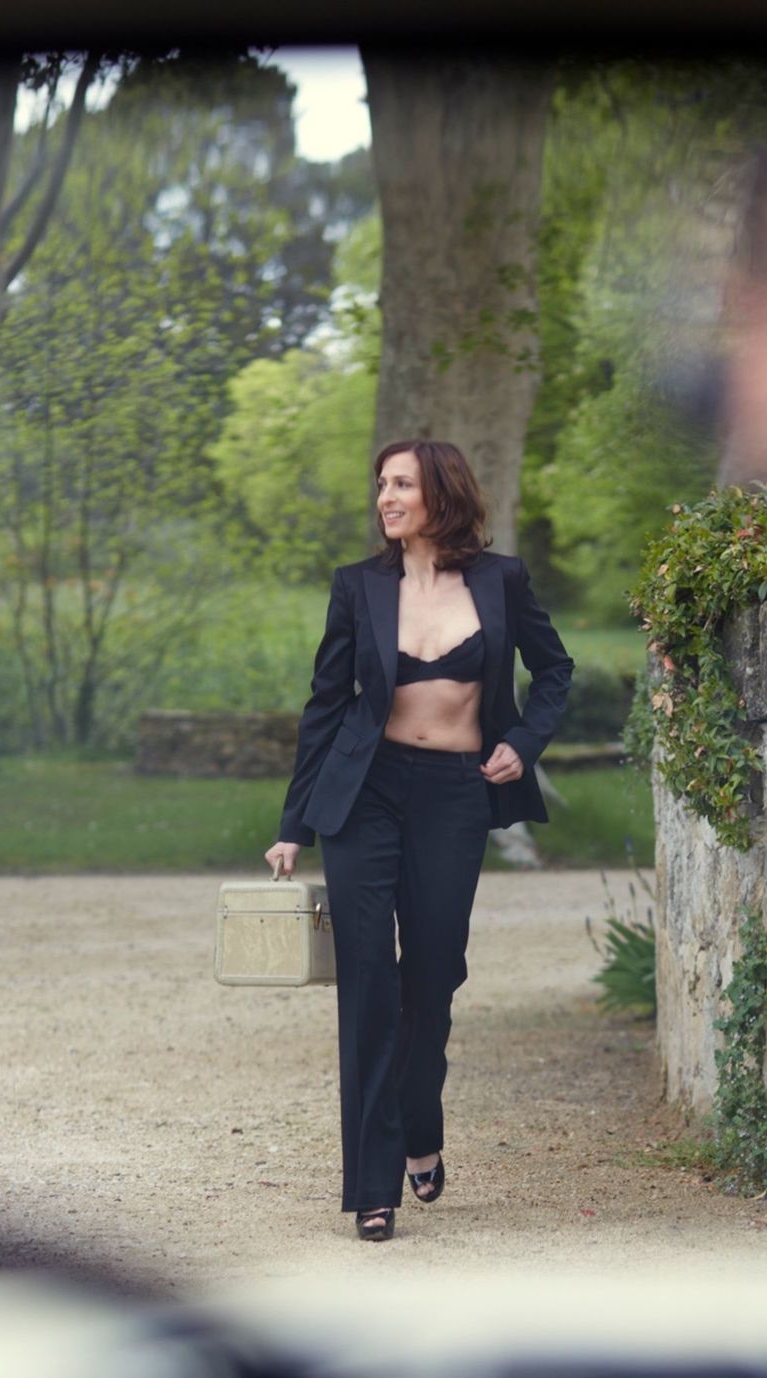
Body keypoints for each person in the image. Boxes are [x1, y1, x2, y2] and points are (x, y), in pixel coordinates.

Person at [264, 439, 575, 1241]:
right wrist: (295, 824)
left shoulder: (501, 580)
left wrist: (523, 744)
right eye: (381, 485)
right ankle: (373, 1188)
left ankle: (420, 1124)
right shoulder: (359, 586)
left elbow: (555, 671)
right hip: (365, 796)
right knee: (368, 981)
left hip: (455, 795)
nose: (386, 498)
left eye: (401, 483)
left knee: (433, 978)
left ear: (442, 492)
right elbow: (325, 706)